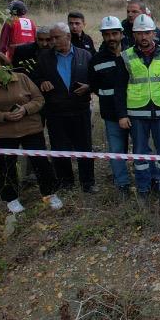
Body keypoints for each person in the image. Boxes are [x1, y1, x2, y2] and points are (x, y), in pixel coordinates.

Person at [0, 54, 61, 213]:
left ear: (4, 63)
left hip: (31, 128)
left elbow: (39, 100)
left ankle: (49, 193)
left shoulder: (22, 78)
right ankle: (11, 198)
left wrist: (25, 109)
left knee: (41, 162)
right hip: (4, 132)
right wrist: (3, 116)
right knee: (6, 166)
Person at [124, 13, 160, 203]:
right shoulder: (126, 56)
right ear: (134, 35)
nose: (144, 37)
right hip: (137, 112)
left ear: (153, 33)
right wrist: (122, 114)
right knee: (140, 153)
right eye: (139, 33)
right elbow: (119, 87)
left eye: (147, 33)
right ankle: (143, 188)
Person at [35, 22, 94, 193]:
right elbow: (35, 78)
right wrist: (42, 82)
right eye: (51, 38)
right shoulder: (44, 58)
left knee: (84, 147)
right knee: (59, 147)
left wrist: (89, 86)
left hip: (80, 109)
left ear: (68, 37)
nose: (52, 41)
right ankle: (65, 181)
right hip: (55, 111)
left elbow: (95, 79)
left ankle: (88, 182)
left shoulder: (85, 55)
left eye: (56, 37)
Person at [91, 15, 133, 195]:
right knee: (116, 149)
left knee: (141, 147)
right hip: (111, 114)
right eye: (106, 34)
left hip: (135, 110)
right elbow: (94, 85)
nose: (111, 38)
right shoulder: (97, 60)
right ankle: (122, 182)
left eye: (114, 33)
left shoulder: (132, 54)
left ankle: (145, 179)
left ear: (121, 34)